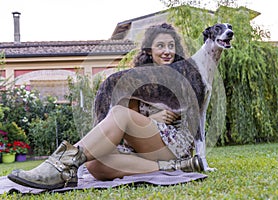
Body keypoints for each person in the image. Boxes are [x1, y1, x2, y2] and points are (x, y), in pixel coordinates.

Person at [8, 23, 203, 190]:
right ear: (149, 51)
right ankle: (177, 166)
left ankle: (60, 164)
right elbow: (132, 121)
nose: (167, 50)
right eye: (160, 45)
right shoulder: (135, 79)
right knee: (95, 164)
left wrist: (172, 114)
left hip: (174, 142)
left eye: (171, 45)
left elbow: (194, 113)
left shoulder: (184, 76)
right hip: (145, 146)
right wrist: (150, 119)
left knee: (119, 113)